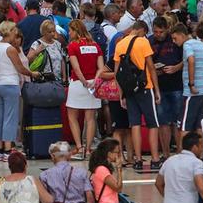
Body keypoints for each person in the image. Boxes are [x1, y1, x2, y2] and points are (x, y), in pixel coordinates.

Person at [113, 20, 161, 170]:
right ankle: (154, 158)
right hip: (145, 87)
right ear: (141, 30)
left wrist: (122, 95)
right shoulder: (143, 42)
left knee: (135, 124)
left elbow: (117, 74)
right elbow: (151, 68)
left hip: (129, 90)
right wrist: (157, 90)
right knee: (153, 124)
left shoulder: (119, 44)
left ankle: (138, 159)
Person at [0, 26, 39, 160]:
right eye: (14, 31)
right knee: (10, 118)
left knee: (0, 117)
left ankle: (0, 150)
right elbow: (20, 68)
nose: (16, 34)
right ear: (9, 32)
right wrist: (32, 73)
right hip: (10, 84)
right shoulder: (10, 49)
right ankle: (8, 150)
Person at [65, 20, 104, 160]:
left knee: (72, 116)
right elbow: (101, 67)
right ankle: (88, 150)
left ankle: (79, 147)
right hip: (93, 85)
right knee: (90, 118)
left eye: (70, 30)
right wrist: (95, 81)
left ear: (76, 31)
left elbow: (76, 68)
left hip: (78, 84)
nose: (69, 33)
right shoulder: (95, 45)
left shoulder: (73, 46)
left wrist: (83, 81)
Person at [150, 16, 183, 159]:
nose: (158, 35)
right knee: (163, 121)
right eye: (156, 31)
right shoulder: (150, 41)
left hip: (176, 84)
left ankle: (180, 153)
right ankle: (166, 153)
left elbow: (186, 59)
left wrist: (176, 68)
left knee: (177, 121)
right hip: (160, 86)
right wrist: (154, 71)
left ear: (167, 30)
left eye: (161, 32)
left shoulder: (174, 40)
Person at [172, 23, 203, 138]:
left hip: (192, 92)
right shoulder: (201, 44)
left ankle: (185, 154)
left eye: (175, 38)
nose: (174, 41)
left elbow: (191, 60)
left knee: (185, 125)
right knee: (199, 125)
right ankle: (201, 154)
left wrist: (191, 84)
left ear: (182, 35)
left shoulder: (187, 45)